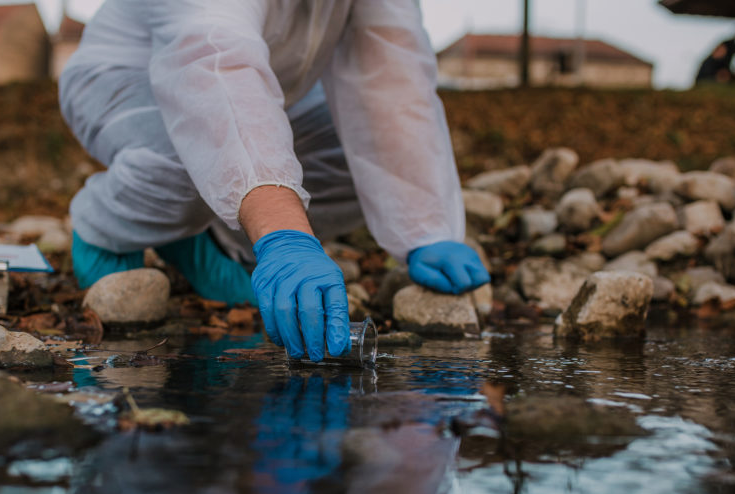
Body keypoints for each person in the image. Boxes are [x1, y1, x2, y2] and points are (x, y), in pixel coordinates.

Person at [60, 0, 490, 362]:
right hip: (126, 79)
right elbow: (214, 65)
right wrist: (284, 234)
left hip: (271, 89)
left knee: (357, 156)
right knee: (196, 155)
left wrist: (425, 228)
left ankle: (213, 240)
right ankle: (104, 230)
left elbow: (391, 81)